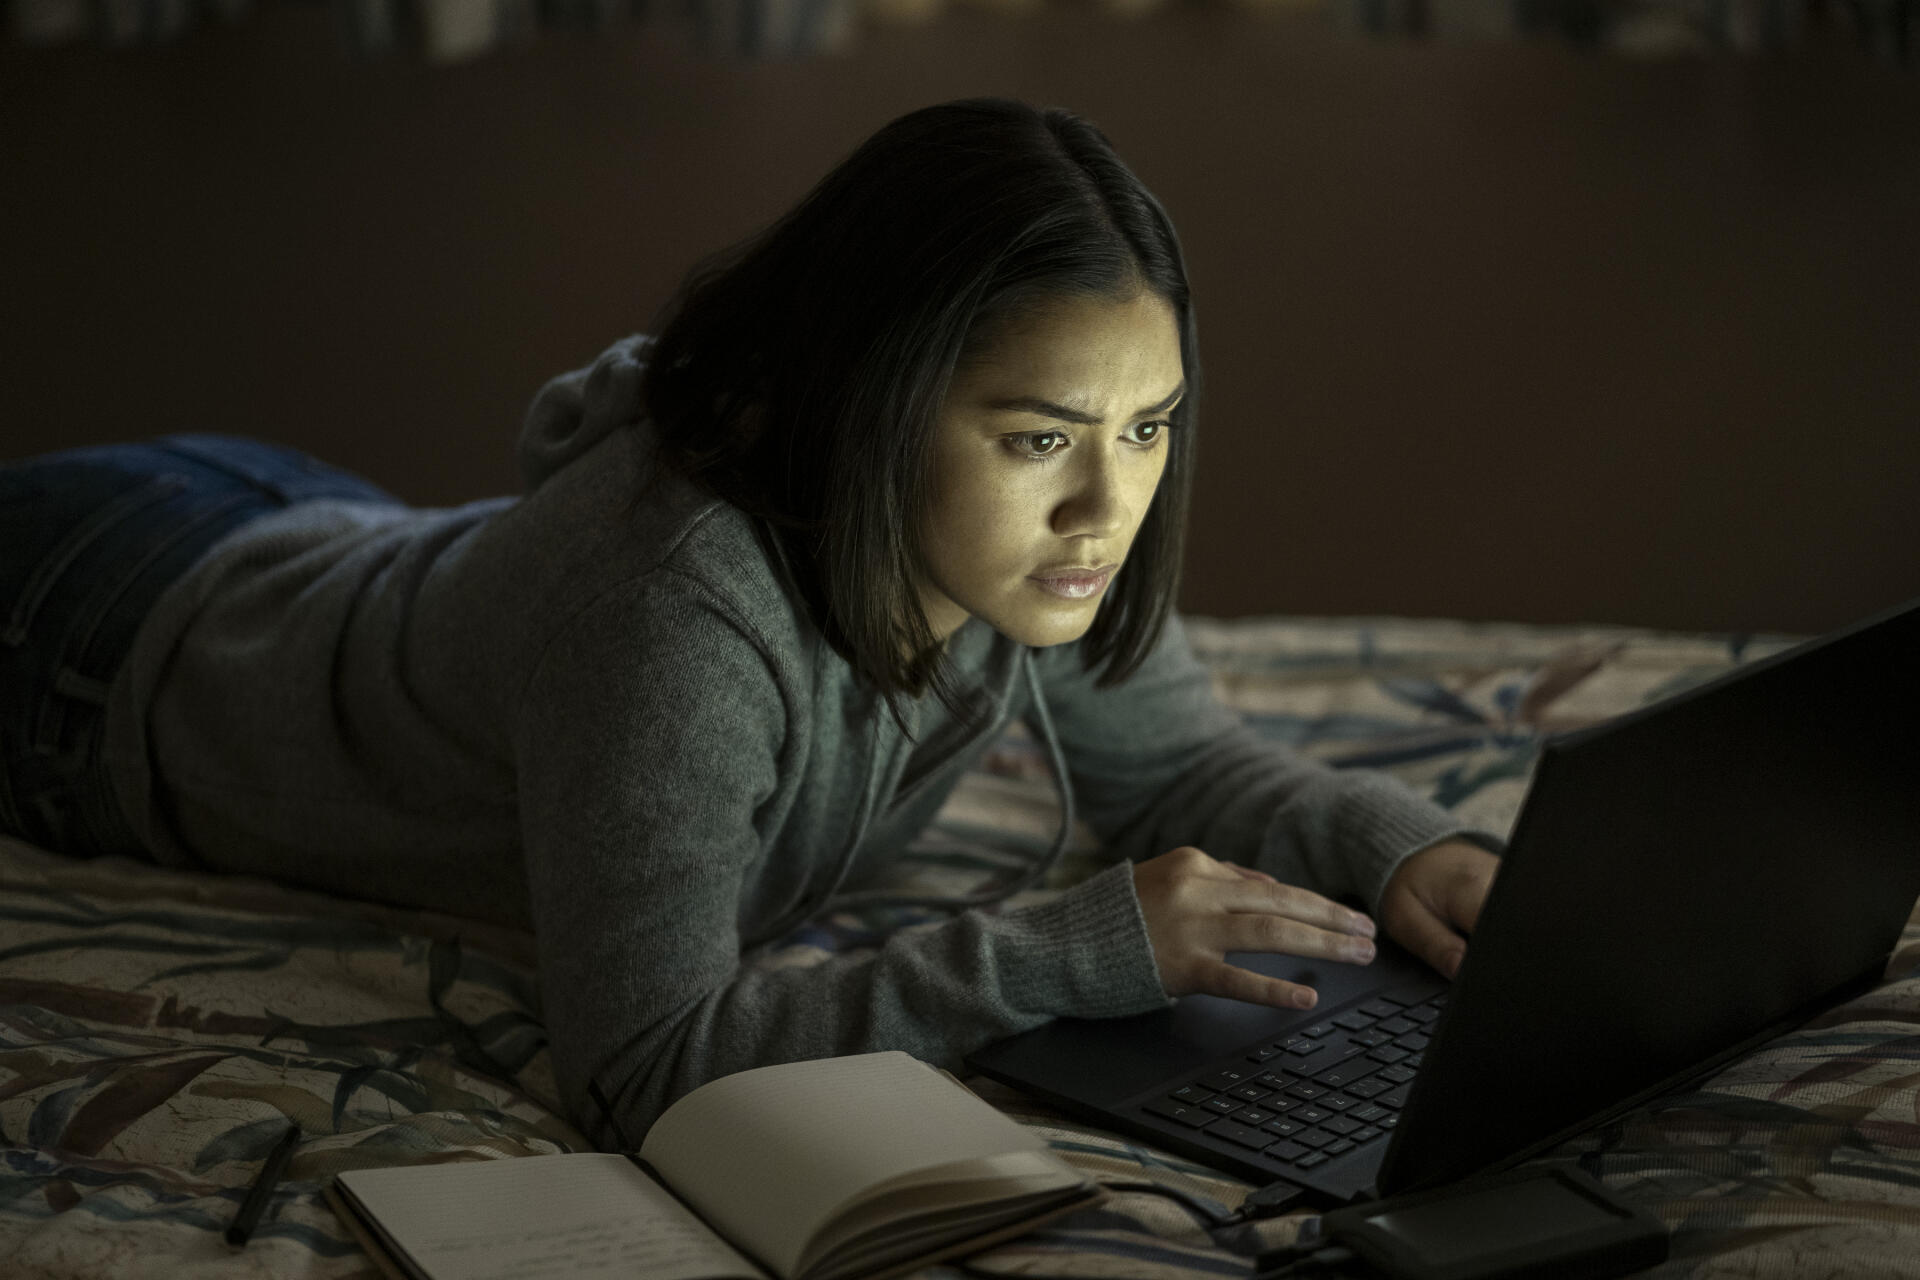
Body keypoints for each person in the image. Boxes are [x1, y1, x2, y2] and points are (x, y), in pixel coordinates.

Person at [0, 97, 1500, 1151]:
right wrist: (1062, 954)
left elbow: (1176, 766)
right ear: (875, 401)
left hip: (291, 527)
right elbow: (642, 1065)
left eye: (1151, 425)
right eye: (1041, 438)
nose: (1107, 507)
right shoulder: (673, 608)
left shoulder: (1008, 553)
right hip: (91, 641)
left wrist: (1404, 853)